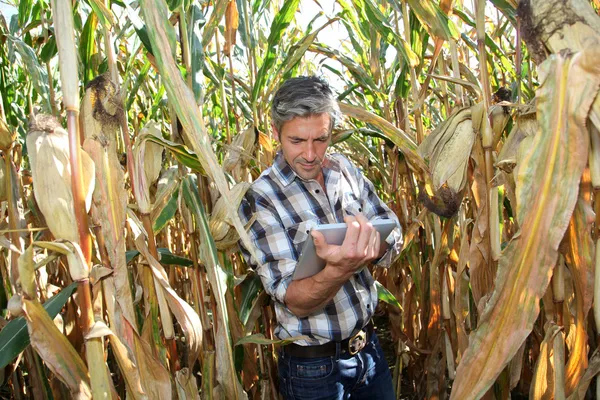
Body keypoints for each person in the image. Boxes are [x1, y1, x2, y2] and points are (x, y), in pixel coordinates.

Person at [238, 76, 402, 400]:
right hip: (314, 372)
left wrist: (373, 243)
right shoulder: (260, 200)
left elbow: (393, 230)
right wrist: (341, 268)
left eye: (321, 139)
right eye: (297, 141)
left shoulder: (343, 168)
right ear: (275, 133)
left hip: (369, 352)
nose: (311, 154)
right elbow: (295, 300)